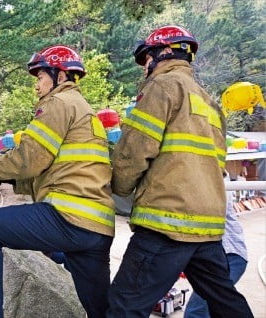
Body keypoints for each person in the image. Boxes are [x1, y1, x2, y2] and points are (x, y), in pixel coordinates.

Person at [107, 25, 253, 317]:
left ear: (162, 53)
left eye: (147, 58)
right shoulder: (210, 103)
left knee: (123, 306)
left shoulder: (162, 87)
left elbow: (134, 149)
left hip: (167, 223)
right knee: (227, 305)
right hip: (208, 228)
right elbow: (217, 163)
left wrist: (117, 189)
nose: (145, 67)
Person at [0, 45, 115, 318]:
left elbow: (28, 160)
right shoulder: (85, 110)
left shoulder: (57, 103)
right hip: (97, 228)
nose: (36, 86)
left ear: (59, 76)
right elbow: (52, 170)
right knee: (101, 311)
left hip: (67, 217)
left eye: (40, 78)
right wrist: (10, 176)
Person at [184, 176, 249, 317]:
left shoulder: (216, 182)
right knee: (210, 305)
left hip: (231, 256)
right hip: (216, 255)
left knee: (197, 310)